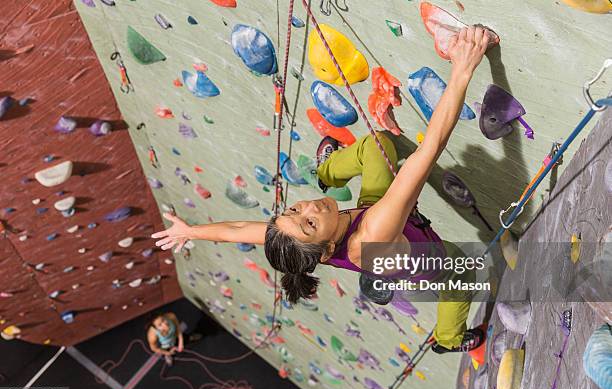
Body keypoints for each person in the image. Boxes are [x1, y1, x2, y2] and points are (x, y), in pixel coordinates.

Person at [151, 26, 491, 354]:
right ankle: (448, 339)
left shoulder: (298, 243)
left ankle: (327, 170)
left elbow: (237, 230)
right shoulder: (373, 237)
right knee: (461, 277)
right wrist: (463, 67)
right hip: (419, 251)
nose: (309, 208)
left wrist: (190, 230)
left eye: (294, 210)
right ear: (327, 250)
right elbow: (429, 150)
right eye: (308, 222)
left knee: (377, 148)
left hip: (366, 214)